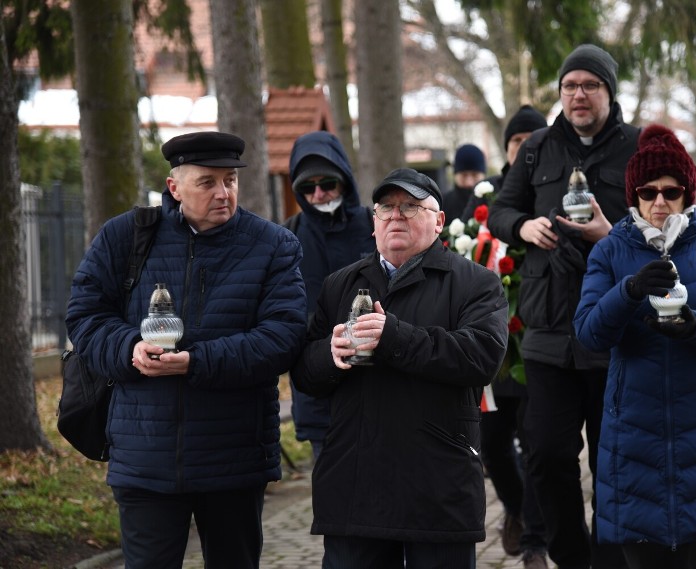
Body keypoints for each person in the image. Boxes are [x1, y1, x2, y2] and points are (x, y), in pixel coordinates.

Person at [65, 131, 308, 568]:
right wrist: (129, 350)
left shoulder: (273, 245)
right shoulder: (125, 237)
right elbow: (85, 317)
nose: (223, 193)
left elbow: (283, 336)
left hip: (233, 457)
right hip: (145, 456)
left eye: (230, 180)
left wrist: (197, 362)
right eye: (208, 182)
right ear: (174, 188)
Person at [290, 168, 509, 569]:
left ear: (439, 220)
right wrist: (331, 354)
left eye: (410, 207)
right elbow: (304, 373)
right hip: (354, 487)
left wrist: (393, 336)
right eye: (386, 208)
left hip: (437, 487)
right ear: (373, 223)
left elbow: (481, 357)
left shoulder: (475, 283)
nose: (396, 216)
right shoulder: (340, 285)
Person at [574, 124, 696, 569]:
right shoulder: (610, 251)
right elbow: (589, 333)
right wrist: (630, 290)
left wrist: (694, 325)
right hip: (633, 433)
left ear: (687, 194)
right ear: (633, 194)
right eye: (648, 190)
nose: (659, 202)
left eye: (671, 191)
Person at [488, 43, 639, 569]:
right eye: (570, 86)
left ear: (609, 91)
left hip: (616, 329)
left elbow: (667, 224)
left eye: (590, 85)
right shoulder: (537, 150)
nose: (579, 95)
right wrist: (523, 225)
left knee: (613, 461)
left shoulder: (638, 149)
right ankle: (572, 556)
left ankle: (610, 558)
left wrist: (610, 236)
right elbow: (501, 211)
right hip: (549, 326)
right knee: (548, 454)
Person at [474, 104, 550, 569]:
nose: (524, 149)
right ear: (506, 149)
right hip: (493, 345)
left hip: (536, 335)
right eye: (516, 142)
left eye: (531, 140)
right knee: (492, 440)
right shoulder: (487, 197)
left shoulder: (552, 191)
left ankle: (536, 540)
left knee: (538, 441)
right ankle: (519, 509)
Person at [285, 131, 376, 461]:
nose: (320, 194)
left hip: (378, 384)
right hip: (319, 387)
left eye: (328, 184)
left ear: (345, 181)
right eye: (308, 188)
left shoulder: (374, 225)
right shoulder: (288, 236)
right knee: (331, 497)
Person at [443, 143, 487, 222]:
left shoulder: (493, 202)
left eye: (475, 175)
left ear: (483, 175)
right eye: (464, 175)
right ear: (455, 175)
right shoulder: (443, 204)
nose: (469, 183)